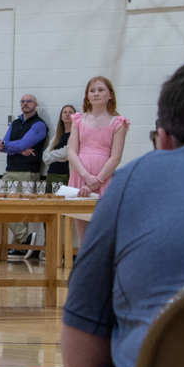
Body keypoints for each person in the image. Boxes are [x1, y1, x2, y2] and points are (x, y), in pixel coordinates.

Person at [19, 60, 184, 367]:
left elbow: (80, 366)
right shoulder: (90, 128)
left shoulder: (136, 180)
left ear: (164, 140)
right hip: (91, 175)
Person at [67, 76, 130, 243]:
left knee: (104, 232)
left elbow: (115, 157)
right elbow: (71, 152)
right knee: (84, 236)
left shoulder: (118, 122)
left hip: (104, 178)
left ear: (110, 95)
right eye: (92, 90)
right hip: (80, 176)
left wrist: (97, 180)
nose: (96, 93)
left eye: (101, 90)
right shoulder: (78, 120)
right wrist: (86, 176)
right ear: (87, 95)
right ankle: (84, 268)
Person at [0, 93, 47, 259]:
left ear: (35, 104)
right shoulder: (16, 122)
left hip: (27, 171)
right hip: (10, 169)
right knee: (4, 204)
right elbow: (2, 146)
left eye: (29, 101)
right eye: (23, 101)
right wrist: (18, 148)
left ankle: (23, 242)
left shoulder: (39, 124)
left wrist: (12, 146)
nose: (25, 104)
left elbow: (23, 143)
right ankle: (24, 241)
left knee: (20, 208)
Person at [43, 104, 76, 194]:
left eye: (70, 112)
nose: (67, 114)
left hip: (64, 175)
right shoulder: (57, 136)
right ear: (61, 116)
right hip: (51, 174)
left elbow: (65, 153)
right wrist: (53, 155)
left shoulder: (74, 134)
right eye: (65, 112)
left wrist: (51, 154)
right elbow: (45, 156)